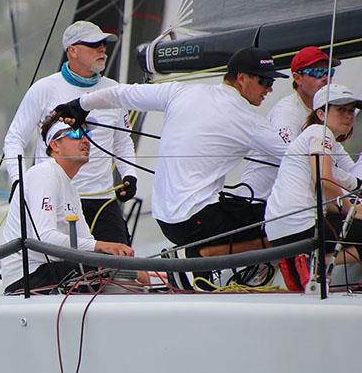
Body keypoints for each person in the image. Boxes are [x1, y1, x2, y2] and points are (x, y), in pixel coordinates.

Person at [52, 47, 291, 257]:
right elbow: (295, 158)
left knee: (245, 207)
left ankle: (203, 268)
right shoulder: (247, 119)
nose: (269, 90)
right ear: (241, 78)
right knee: (285, 220)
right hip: (197, 222)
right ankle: (206, 254)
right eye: (265, 82)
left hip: (166, 220)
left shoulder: (182, 92)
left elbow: (122, 93)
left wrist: (78, 106)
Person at [3, 21, 138, 246]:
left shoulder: (113, 90)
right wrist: (19, 181)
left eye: (104, 44)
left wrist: (129, 175)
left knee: (122, 265)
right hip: (56, 196)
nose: (102, 49)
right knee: (67, 272)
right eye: (94, 44)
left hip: (102, 199)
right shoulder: (44, 89)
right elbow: (14, 138)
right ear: (72, 51)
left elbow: (123, 141)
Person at [2, 120, 134, 293]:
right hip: (27, 277)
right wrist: (102, 246)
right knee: (109, 272)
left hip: (53, 270)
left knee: (118, 269)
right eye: (76, 135)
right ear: (55, 145)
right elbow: (44, 237)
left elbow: (86, 241)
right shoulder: (44, 173)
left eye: (87, 135)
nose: (85, 140)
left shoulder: (71, 188)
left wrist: (125, 262)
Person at [264, 84, 362, 289]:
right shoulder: (320, 132)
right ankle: (319, 264)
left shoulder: (313, 138)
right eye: (340, 110)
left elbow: (329, 187)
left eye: (351, 110)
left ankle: (317, 264)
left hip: (278, 230)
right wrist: (352, 210)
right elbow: (324, 180)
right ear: (320, 113)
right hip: (304, 226)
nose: (348, 116)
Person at [240, 46, 341, 199]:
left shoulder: (323, 114)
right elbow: (297, 158)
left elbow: (338, 158)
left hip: (292, 204)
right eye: (317, 72)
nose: (325, 78)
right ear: (297, 78)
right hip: (259, 204)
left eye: (330, 72)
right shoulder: (287, 112)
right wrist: (352, 183)